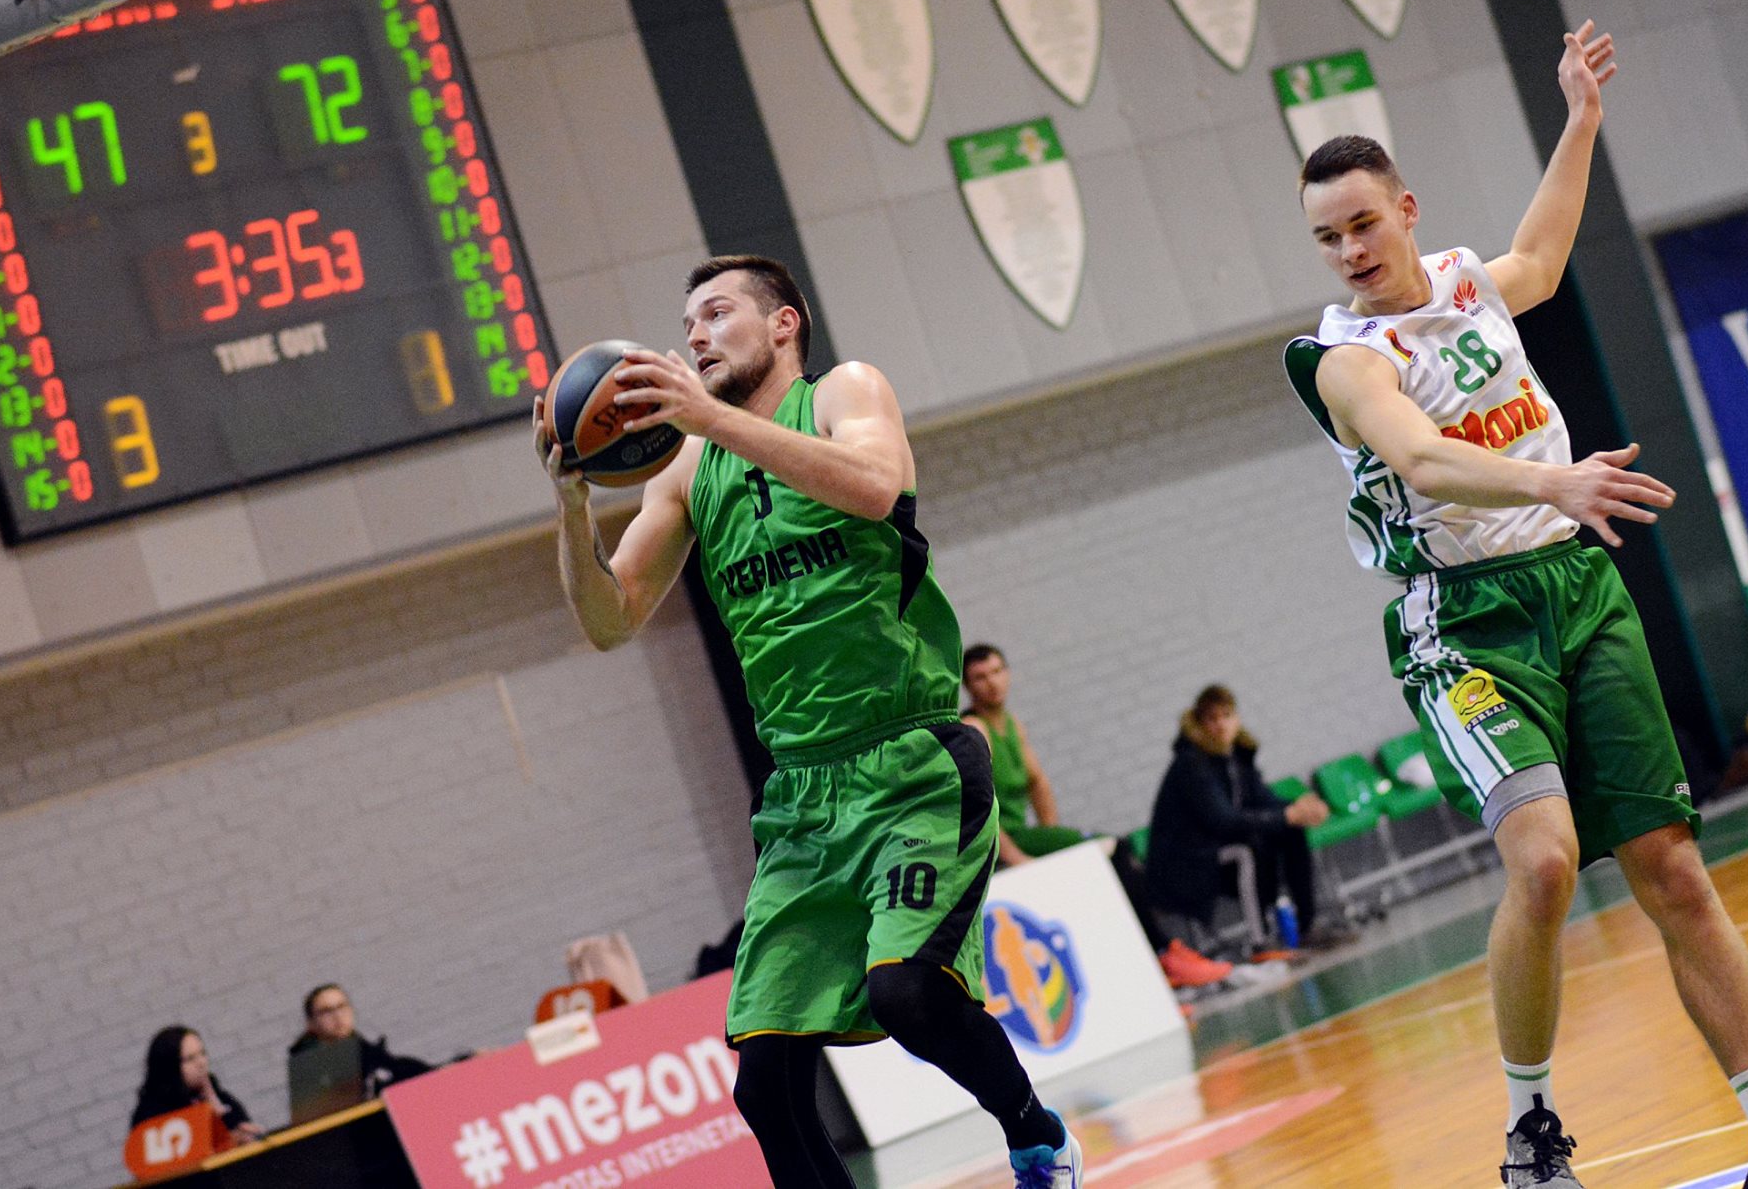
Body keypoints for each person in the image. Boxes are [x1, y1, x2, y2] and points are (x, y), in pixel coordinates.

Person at [1282, 20, 1748, 1188]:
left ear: (1403, 211)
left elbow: (1542, 258)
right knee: (1546, 860)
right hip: (1459, 624)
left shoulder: (1466, 284)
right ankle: (1527, 1130)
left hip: (1575, 588)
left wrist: (1579, 118)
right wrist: (1553, 480)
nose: (1348, 251)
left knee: (1670, 867)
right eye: (1325, 238)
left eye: (1361, 224)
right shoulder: (1344, 359)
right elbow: (1422, 459)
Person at [535, 255, 1080, 1187]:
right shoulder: (688, 469)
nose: (697, 335)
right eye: (689, 323)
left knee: (905, 992)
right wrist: (572, 498)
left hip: (911, 762)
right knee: (766, 1085)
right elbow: (608, 619)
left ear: (784, 322)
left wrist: (710, 418)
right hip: (802, 797)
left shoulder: (843, 393)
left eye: (717, 313)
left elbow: (874, 485)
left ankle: (1036, 1136)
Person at [960, 643, 1232, 989]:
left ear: (1008, 674)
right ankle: (1165, 954)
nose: (992, 683)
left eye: (997, 672)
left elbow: (1038, 782)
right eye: (980, 677)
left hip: (1026, 833)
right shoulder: (975, 728)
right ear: (968, 686)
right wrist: (1017, 859)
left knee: (1111, 859)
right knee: (1115, 848)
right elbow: (976, 805)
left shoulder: (1011, 725)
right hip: (1003, 839)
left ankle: (1151, 960)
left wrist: (1051, 832)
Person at [1145, 685, 1332, 949]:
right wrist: (1286, 815)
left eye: (1227, 715)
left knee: (1291, 830)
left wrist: (1300, 810)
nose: (1221, 724)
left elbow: (1263, 801)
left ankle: (1307, 926)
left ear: (1237, 719)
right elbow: (1223, 821)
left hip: (1217, 846)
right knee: (1246, 850)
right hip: (1188, 858)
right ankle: (1261, 943)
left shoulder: (1236, 758)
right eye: (1212, 718)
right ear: (1199, 724)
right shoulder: (1191, 764)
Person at [130, 1026, 262, 1147]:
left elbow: (241, 1127)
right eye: (190, 1058)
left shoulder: (219, 1096)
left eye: (202, 1053)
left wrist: (214, 1101)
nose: (201, 1063)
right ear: (169, 1066)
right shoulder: (151, 1114)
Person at [288, 984, 432, 1095]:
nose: (337, 1016)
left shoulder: (374, 1056)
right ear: (311, 1023)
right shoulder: (308, 1070)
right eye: (326, 1011)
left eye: (341, 1006)